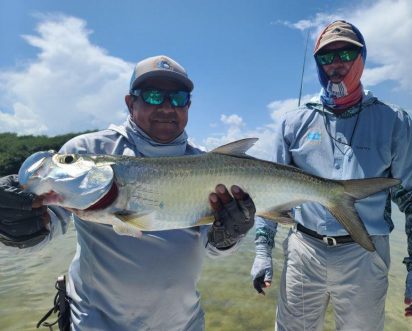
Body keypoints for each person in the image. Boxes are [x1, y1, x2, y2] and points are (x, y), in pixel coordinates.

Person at [0, 55, 255, 330]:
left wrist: (230, 235)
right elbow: (44, 228)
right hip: (97, 323)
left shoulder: (210, 166)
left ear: (189, 105)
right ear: (130, 102)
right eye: (153, 96)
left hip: (184, 322)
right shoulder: (87, 150)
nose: (167, 107)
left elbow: (214, 251)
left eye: (178, 98)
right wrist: (15, 222)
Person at [251, 20, 412, 330]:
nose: (335, 64)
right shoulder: (294, 122)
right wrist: (262, 251)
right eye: (326, 57)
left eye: (346, 54)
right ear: (317, 65)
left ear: (362, 58)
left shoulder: (392, 121)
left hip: (364, 254)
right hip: (304, 251)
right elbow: (269, 192)